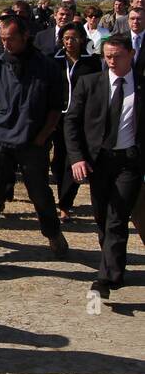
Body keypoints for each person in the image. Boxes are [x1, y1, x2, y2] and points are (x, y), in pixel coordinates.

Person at [0, 14, 70, 278]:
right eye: (2, 40)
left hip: (32, 142)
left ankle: (53, 232)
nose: (6, 44)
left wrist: (42, 137)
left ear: (25, 36)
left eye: (11, 39)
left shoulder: (46, 67)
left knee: (40, 195)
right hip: (0, 140)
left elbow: (56, 107)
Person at [66, 34, 139, 297]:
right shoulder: (89, 83)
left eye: (117, 56)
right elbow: (71, 122)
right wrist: (77, 158)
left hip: (129, 161)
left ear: (131, 55)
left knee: (117, 217)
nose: (111, 61)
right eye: (107, 56)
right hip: (98, 161)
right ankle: (115, 268)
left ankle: (104, 279)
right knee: (101, 217)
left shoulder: (140, 85)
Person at [52, 23, 102, 219]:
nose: (69, 42)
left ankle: (65, 203)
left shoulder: (92, 63)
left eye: (73, 38)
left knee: (73, 159)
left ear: (82, 39)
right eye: (66, 39)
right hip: (58, 115)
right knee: (58, 160)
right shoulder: (54, 60)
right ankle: (60, 193)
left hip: (81, 117)